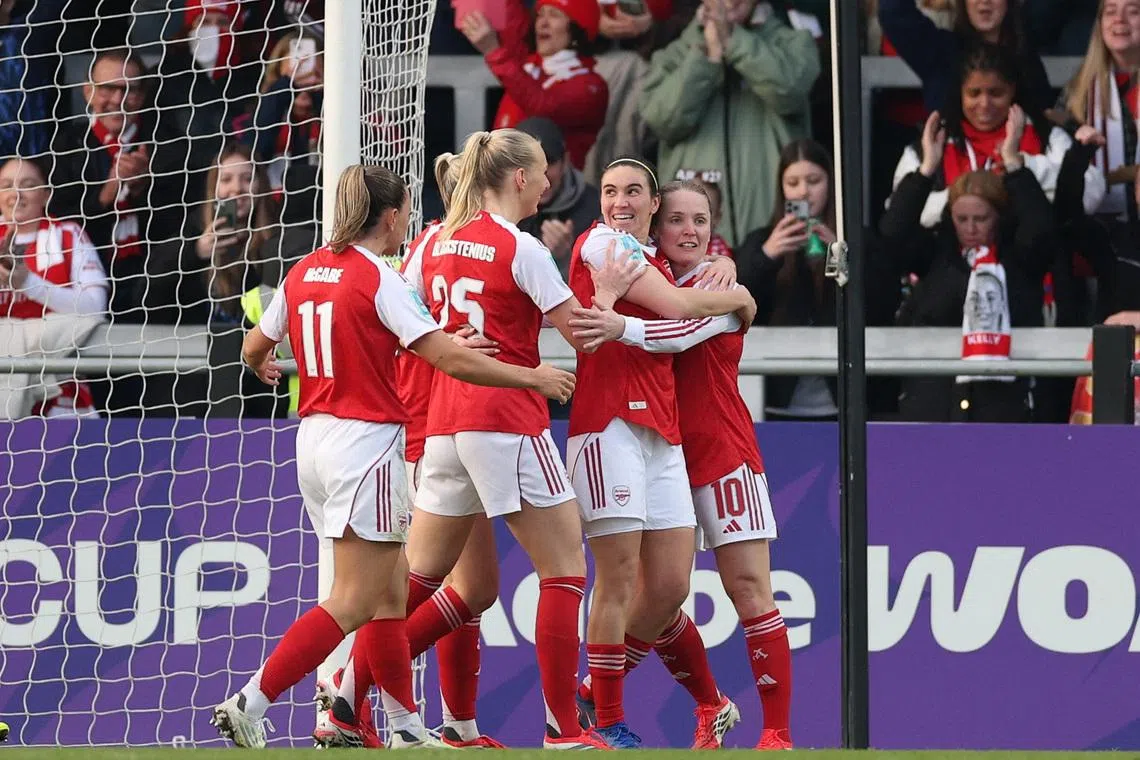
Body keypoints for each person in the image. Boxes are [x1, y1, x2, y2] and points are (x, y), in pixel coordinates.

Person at [210, 163, 577, 748]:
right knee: (357, 598)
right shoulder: (380, 278)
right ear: (388, 216)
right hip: (367, 445)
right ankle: (251, 699)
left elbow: (254, 343)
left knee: (385, 595)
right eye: (406, 208)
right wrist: (528, 376)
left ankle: (405, 727)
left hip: (313, 443)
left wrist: (263, 365)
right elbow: (450, 360)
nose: (410, 218)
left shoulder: (304, 269)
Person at [394, 129, 637, 750]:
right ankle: (563, 729)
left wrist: (447, 343)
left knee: (435, 584)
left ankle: (345, 691)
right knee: (563, 570)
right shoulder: (520, 247)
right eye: (542, 174)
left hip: (442, 425)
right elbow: (582, 335)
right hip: (507, 420)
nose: (551, 184)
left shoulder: (432, 240)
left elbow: (395, 315)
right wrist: (607, 294)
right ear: (520, 179)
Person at [568, 180, 793, 749]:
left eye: (702, 220)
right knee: (660, 592)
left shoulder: (718, 282)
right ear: (656, 227)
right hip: (658, 449)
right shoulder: (649, 276)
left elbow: (679, 332)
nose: (691, 231)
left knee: (749, 588)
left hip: (721, 451)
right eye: (678, 221)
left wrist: (622, 324)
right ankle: (708, 707)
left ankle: (776, 734)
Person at [317, 155, 507, 750]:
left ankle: (458, 724)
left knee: (471, 587)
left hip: (446, 425)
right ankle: (347, 696)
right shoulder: (437, 249)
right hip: (428, 427)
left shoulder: (432, 247)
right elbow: (417, 339)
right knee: (416, 585)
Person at [879, 111, 1060, 422]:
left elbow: (1042, 230)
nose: (971, 228)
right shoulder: (937, 255)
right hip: (933, 406)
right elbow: (892, 234)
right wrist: (926, 171)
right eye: (962, 219)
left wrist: (1014, 163)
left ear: (1000, 217)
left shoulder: (1018, 258)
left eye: (981, 219)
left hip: (1004, 409)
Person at [736, 139, 901, 420]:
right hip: (775, 402)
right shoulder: (761, 240)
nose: (804, 191)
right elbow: (734, 304)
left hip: (844, 404)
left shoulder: (858, 239)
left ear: (831, 183)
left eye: (814, 180)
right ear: (781, 189)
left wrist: (841, 257)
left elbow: (884, 303)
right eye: (793, 182)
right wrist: (767, 255)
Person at [640, 0, 820, 247]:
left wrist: (733, 40)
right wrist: (706, 59)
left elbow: (788, 90)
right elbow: (660, 119)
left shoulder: (795, 42)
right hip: (690, 239)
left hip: (775, 230)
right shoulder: (674, 54)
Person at [891, 44, 1106, 230]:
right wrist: (968, 196)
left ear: (1013, 90)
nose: (984, 104)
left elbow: (1092, 194)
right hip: (950, 268)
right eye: (974, 93)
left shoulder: (1046, 134)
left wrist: (1025, 166)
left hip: (1031, 268)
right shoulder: (932, 144)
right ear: (960, 93)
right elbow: (897, 216)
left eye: (996, 93)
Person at [49, 48, 189, 318]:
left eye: (130, 90)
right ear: (88, 91)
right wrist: (106, 194)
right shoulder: (65, 145)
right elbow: (58, 221)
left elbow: (184, 222)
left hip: (156, 286)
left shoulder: (169, 144)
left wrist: (145, 187)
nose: (118, 99)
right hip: (87, 279)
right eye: (108, 88)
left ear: (143, 95)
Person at [0, 157, 107, 419]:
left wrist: (28, 283)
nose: (16, 194)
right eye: (6, 185)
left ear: (46, 195)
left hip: (63, 397)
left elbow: (95, 308)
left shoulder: (69, 235)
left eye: (28, 185)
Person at [459, 0, 608, 169]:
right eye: (540, 15)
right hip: (504, 179)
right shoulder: (530, 64)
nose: (542, 23)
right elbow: (512, 21)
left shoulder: (591, 86)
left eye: (554, 15)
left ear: (577, 28)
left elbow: (544, 108)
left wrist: (493, 50)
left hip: (550, 189)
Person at [877, 0, 1053, 115]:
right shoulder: (940, 52)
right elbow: (894, 13)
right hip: (952, 169)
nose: (984, 1)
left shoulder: (1026, 59)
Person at [516, 116, 601, 280]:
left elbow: (593, 293)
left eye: (549, 163)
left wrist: (563, 259)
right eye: (528, 165)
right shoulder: (496, 210)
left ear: (566, 161)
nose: (540, 176)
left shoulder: (595, 209)